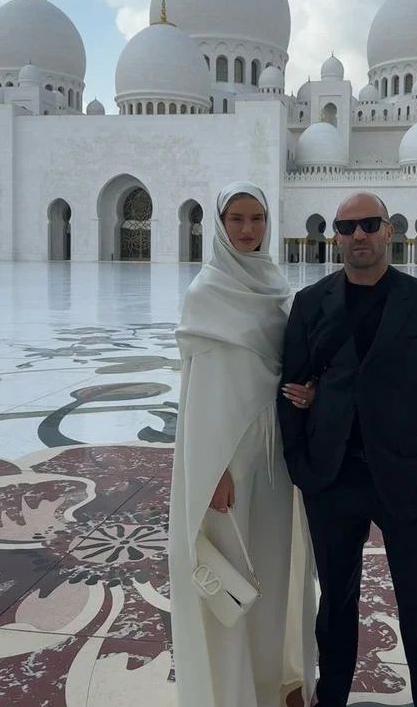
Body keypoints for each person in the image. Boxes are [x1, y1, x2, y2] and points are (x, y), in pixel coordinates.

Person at [277, 192, 417, 707]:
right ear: (334, 236)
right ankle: (332, 697)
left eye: (368, 224)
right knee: (336, 603)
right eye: (346, 227)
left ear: (389, 231)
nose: (357, 235)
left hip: (406, 476)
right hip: (332, 478)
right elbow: (291, 389)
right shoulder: (311, 303)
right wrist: (301, 465)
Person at [169, 181, 317, 707]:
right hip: (225, 462)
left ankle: (268, 682)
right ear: (220, 224)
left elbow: (286, 366)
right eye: (236, 218)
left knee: (272, 572)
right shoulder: (205, 293)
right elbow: (200, 397)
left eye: (256, 218)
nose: (248, 229)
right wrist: (211, 472)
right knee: (230, 581)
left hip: (274, 456)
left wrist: (307, 392)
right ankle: (229, 693)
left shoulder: (275, 285)